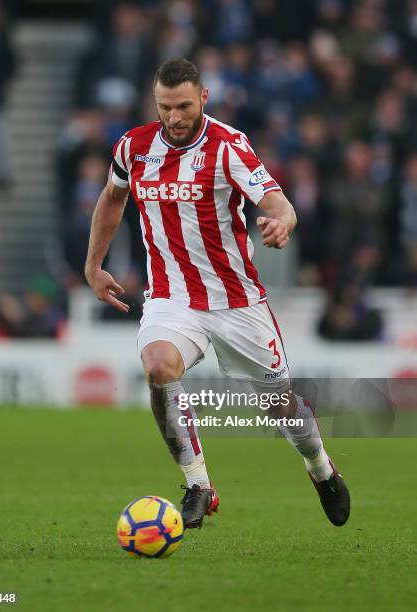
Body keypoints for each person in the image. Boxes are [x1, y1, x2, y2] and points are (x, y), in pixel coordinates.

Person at [85, 58, 350, 529]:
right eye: (165, 107)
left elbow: (278, 203)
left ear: (203, 98)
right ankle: (198, 485)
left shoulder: (229, 147)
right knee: (159, 367)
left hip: (237, 301)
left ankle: (320, 467)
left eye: (184, 105)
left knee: (281, 406)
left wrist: (281, 224)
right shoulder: (133, 147)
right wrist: (93, 264)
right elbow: (112, 197)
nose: (174, 117)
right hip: (172, 296)